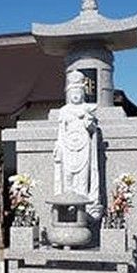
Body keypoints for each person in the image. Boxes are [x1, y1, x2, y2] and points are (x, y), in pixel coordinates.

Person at [53, 70, 101, 218]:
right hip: (67, 147)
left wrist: (89, 124)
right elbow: (61, 131)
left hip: (84, 147)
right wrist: (58, 146)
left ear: (83, 93)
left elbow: (93, 130)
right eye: (73, 91)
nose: (75, 94)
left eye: (78, 91)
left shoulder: (88, 109)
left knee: (82, 177)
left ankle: (82, 209)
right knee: (67, 176)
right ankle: (68, 207)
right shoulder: (64, 110)